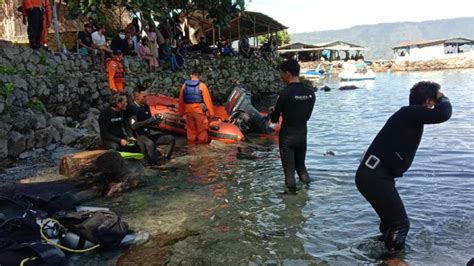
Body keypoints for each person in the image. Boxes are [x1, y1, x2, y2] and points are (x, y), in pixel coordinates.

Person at [355, 81, 452, 254]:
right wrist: (442, 97)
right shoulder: (408, 113)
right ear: (429, 102)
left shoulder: (410, 116)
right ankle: (392, 260)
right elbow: (444, 113)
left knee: (389, 223)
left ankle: (377, 255)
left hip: (374, 175)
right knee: (400, 225)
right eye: (433, 102)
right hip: (375, 176)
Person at [269, 59, 315, 194]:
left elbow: (274, 119)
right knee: (301, 168)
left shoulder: (284, 93)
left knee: (289, 172)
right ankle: (307, 191)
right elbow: (306, 115)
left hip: (288, 137)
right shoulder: (310, 93)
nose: (281, 77)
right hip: (302, 135)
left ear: (288, 73)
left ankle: (291, 200)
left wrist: (273, 111)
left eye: (282, 74)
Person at [127, 85, 176, 165]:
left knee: (171, 139)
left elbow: (150, 123)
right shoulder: (132, 108)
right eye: (144, 96)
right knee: (150, 144)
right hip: (138, 136)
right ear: (137, 96)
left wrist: (157, 121)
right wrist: (151, 120)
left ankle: (165, 160)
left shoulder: (146, 106)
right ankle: (154, 164)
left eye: (147, 96)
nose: (146, 98)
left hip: (148, 133)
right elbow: (134, 125)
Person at [178, 69, 215, 144]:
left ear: (191, 76)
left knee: (191, 131)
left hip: (188, 112)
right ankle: (201, 150)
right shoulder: (202, 86)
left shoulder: (184, 86)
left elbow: (181, 101)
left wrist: (180, 113)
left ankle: (191, 148)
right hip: (199, 112)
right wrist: (211, 114)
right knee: (201, 131)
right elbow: (208, 101)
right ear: (199, 77)